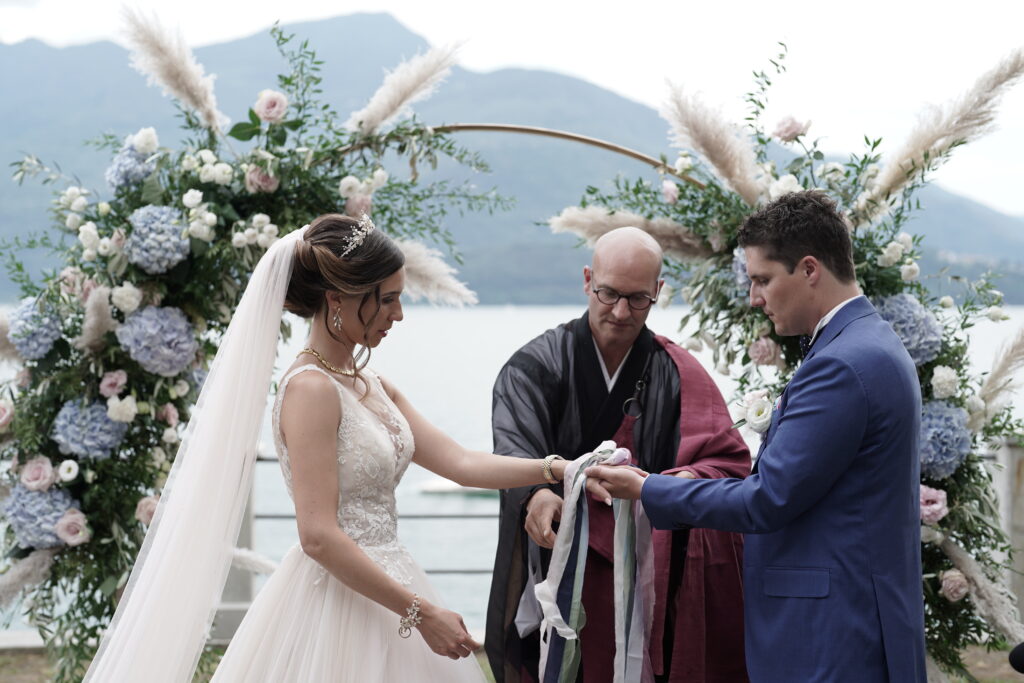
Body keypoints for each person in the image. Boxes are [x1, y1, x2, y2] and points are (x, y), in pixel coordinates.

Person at [84, 214, 572, 683]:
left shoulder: (370, 383)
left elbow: (461, 463)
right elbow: (317, 535)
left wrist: (560, 469)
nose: (398, 315)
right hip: (336, 604)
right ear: (338, 299)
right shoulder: (311, 390)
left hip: (394, 581)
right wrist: (421, 615)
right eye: (388, 301)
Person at [587, 191, 927, 681]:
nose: (754, 297)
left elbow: (766, 499)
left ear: (809, 269)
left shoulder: (842, 364)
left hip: (830, 632)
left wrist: (647, 487)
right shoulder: (869, 343)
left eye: (762, 279)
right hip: (853, 612)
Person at [486, 227, 751, 683]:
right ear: (587, 280)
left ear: (659, 293)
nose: (621, 311)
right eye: (608, 294)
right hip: (562, 561)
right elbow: (514, 444)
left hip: (650, 572)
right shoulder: (534, 366)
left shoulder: (677, 371)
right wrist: (535, 494)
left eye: (638, 298)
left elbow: (727, 463)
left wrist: (663, 486)